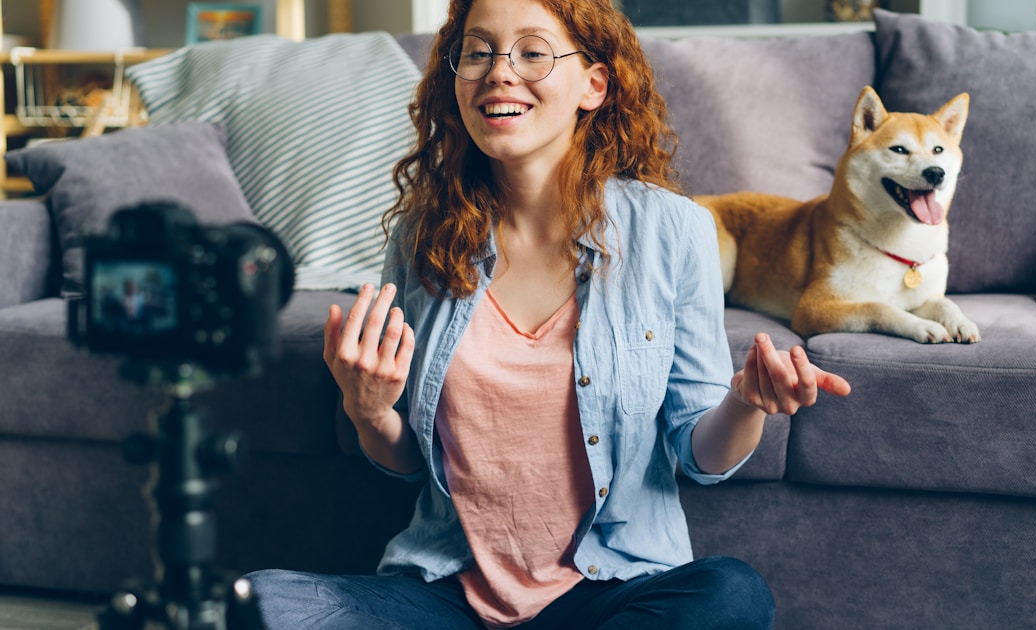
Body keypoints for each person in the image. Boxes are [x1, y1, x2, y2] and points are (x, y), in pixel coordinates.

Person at [247, 0, 851, 627]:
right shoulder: (420, 237)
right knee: (265, 603)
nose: (499, 72)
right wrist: (367, 409)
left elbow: (701, 454)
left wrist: (747, 403)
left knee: (732, 595)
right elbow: (407, 467)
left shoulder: (675, 231)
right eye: (477, 53)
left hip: (607, 593)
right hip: (447, 591)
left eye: (532, 52)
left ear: (593, 85)